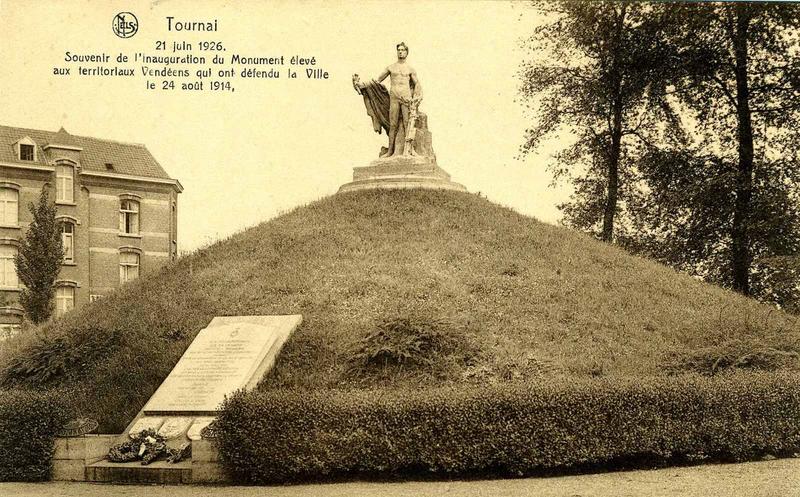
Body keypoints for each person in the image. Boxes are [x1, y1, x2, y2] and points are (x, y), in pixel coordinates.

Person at [370, 42, 423, 157]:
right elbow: (377, 80)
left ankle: (411, 150)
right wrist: (365, 85)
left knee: (407, 123)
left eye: (403, 50)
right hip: (394, 97)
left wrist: (418, 96)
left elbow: (417, 84)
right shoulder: (391, 67)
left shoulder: (410, 69)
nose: (400, 52)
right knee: (393, 124)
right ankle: (390, 151)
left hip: (406, 98)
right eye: (399, 50)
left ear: (406, 52)